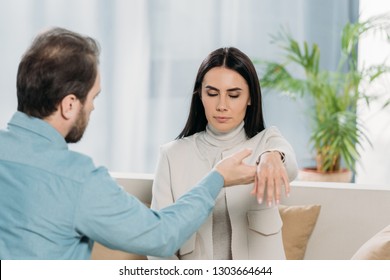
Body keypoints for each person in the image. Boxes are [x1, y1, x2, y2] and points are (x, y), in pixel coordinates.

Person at [0, 28, 258, 260]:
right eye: (93, 97)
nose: (92, 107)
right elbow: (160, 236)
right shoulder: (78, 180)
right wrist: (217, 178)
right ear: (69, 105)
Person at [150, 47, 298, 260]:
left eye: (234, 95)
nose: (222, 105)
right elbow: (158, 244)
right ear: (200, 95)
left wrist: (272, 156)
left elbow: (290, 166)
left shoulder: (268, 141)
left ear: (250, 98)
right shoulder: (172, 156)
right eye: (212, 93)